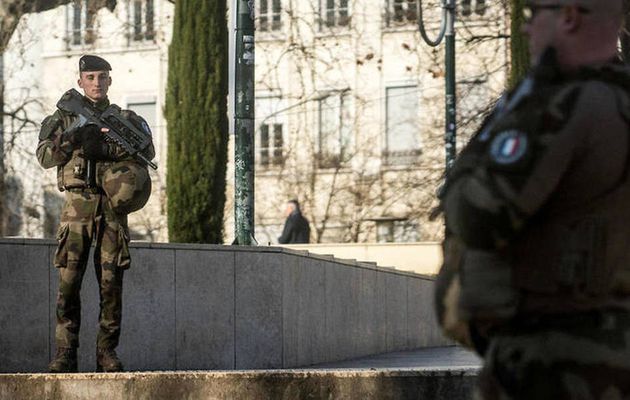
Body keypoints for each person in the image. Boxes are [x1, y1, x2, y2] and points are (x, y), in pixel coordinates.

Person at [435, 0, 630, 398]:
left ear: (569, 16)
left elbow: (476, 216)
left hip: (551, 363)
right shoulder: (619, 100)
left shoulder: (561, 106)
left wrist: (468, 161)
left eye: (532, 16)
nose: (525, 30)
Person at [36, 55, 155, 373]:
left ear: (110, 81)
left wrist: (106, 148)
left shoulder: (125, 119)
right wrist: (71, 138)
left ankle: (106, 352)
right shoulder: (63, 116)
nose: (96, 83)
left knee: (110, 284)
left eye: (102, 77)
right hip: (76, 207)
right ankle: (65, 353)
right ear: (80, 81)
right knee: (68, 284)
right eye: (90, 77)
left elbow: (147, 150)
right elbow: (45, 155)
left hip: (112, 209)